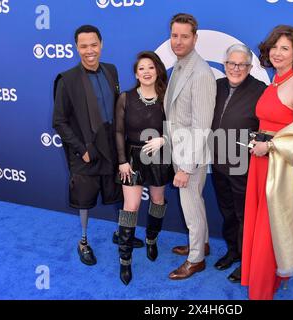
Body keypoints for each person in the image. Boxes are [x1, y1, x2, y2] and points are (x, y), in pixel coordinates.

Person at [241, 25, 293, 300]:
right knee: (262, 223)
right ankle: (270, 277)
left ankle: (262, 290)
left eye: (285, 48)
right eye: (274, 47)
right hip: (261, 162)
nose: (277, 53)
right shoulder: (275, 81)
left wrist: (271, 146)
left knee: (269, 226)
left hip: (279, 168)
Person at [52, 25, 122, 266]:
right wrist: (81, 150)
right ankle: (83, 241)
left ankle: (121, 233)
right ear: (76, 48)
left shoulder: (112, 71)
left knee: (119, 192)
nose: (89, 50)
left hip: (112, 147)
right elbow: (59, 122)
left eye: (93, 45)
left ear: (101, 44)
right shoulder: (67, 80)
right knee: (84, 199)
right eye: (83, 46)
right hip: (86, 151)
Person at [114, 51, 174, 285]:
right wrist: (122, 160)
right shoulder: (125, 97)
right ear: (136, 74)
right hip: (131, 157)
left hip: (159, 155)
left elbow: (178, 125)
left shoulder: (166, 97)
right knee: (131, 206)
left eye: (151, 67)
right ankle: (125, 259)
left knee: (158, 200)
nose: (147, 72)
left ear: (157, 70)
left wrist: (165, 139)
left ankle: (151, 238)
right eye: (142, 68)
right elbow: (118, 131)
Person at [164, 13, 217, 280]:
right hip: (179, 147)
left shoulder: (201, 73)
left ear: (195, 38)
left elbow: (201, 125)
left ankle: (195, 259)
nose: (179, 41)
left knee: (190, 204)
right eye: (175, 35)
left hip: (190, 153)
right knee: (195, 200)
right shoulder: (180, 65)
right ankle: (202, 244)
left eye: (185, 36)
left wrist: (185, 167)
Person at [210, 44, 266, 283]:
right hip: (218, 162)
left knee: (245, 216)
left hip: (244, 165)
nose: (235, 68)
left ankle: (247, 261)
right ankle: (233, 251)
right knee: (227, 211)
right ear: (224, 64)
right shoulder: (216, 85)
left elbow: (268, 127)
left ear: (250, 67)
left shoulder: (261, 90)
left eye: (241, 64)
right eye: (231, 63)